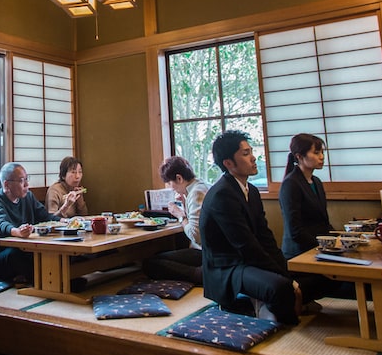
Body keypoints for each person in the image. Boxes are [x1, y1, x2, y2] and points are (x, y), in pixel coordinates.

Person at [200, 130, 301, 325]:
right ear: (228, 163)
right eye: (245, 154)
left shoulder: (251, 190)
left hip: (247, 260)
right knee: (280, 287)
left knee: (298, 277)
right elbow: (245, 245)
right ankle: (263, 314)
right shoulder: (222, 194)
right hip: (228, 267)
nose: (253, 158)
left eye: (251, 151)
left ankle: (264, 307)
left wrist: (284, 269)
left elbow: (264, 236)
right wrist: (283, 277)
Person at [0, 162, 81, 283]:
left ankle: (59, 279)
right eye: (22, 181)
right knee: (17, 253)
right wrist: (17, 232)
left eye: (27, 179)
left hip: (25, 248)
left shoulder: (28, 197)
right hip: (0, 255)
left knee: (54, 247)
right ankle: (52, 282)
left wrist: (65, 221)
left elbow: (45, 217)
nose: (27, 184)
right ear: (7, 184)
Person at [142, 156, 208, 284]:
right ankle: (200, 272)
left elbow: (196, 235)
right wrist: (185, 205)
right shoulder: (201, 186)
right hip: (205, 251)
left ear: (179, 178)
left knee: (150, 264)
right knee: (159, 256)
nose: (171, 188)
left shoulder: (196, 193)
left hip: (205, 252)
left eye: (170, 183)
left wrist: (180, 215)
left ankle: (199, 275)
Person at [279, 133, 333, 259]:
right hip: (299, 252)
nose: (321, 157)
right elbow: (295, 230)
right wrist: (322, 245)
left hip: (320, 248)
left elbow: (323, 222)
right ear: (299, 156)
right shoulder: (291, 183)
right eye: (316, 153)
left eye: (322, 153)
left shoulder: (316, 181)